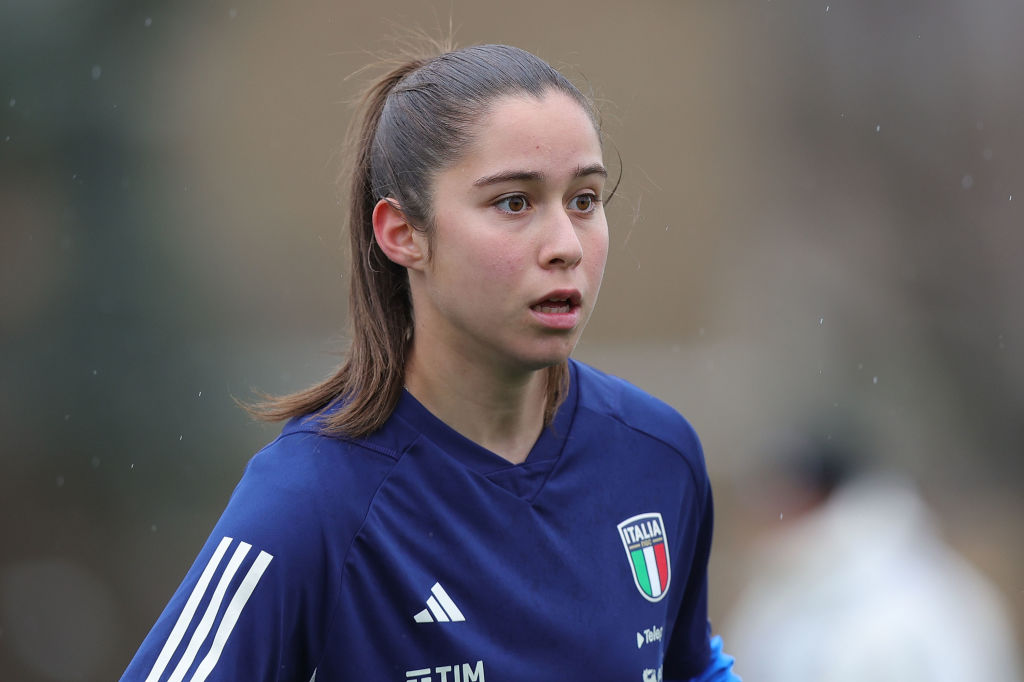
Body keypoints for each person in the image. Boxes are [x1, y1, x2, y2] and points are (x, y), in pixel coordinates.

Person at [122, 43, 739, 681]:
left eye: (584, 200)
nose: (565, 246)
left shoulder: (656, 454)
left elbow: (690, 669)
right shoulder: (311, 500)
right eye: (514, 203)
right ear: (403, 233)